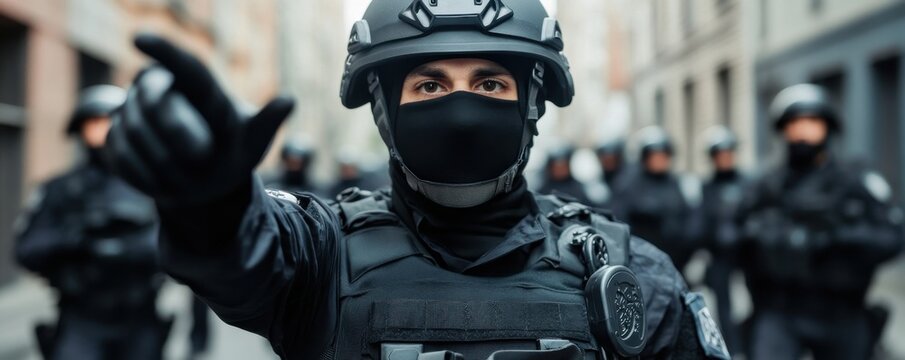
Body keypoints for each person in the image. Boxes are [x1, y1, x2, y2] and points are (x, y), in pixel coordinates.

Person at [103, 1, 730, 359]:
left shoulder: (626, 271)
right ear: (384, 111)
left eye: (490, 83)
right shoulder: (322, 253)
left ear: (531, 105)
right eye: (430, 85)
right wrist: (209, 200)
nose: (460, 112)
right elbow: (242, 251)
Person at [738, 84, 904, 360]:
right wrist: (764, 237)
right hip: (781, 310)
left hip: (841, 312)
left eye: (812, 122)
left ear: (828, 127)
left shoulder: (856, 182)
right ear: (783, 130)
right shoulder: (765, 185)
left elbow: (892, 238)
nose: (803, 132)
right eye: (795, 123)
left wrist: (840, 236)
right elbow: (729, 235)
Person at [14, 85, 170, 360]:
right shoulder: (60, 189)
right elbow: (27, 249)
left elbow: (187, 246)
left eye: (113, 120)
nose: (105, 130)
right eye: (96, 122)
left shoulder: (155, 187)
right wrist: (76, 238)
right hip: (82, 317)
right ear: (81, 129)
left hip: (139, 318)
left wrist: (130, 245)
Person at [611, 127, 696, 272]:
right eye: (655, 156)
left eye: (663, 156)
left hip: (674, 259)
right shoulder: (629, 184)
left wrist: (687, 244)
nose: (660, 161)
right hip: (641, 260)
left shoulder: (676, 183)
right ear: (645, 158)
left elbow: (689, 216)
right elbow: (619, 220)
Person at [694, 126, 745, 356]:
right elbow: (701, 221)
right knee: (723, 307)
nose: (725, 159)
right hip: (718, 255)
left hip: (745, 254)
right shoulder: (707, 187)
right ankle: (731, 349)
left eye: (728, 154)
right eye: (720, 155)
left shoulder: (747, 183)